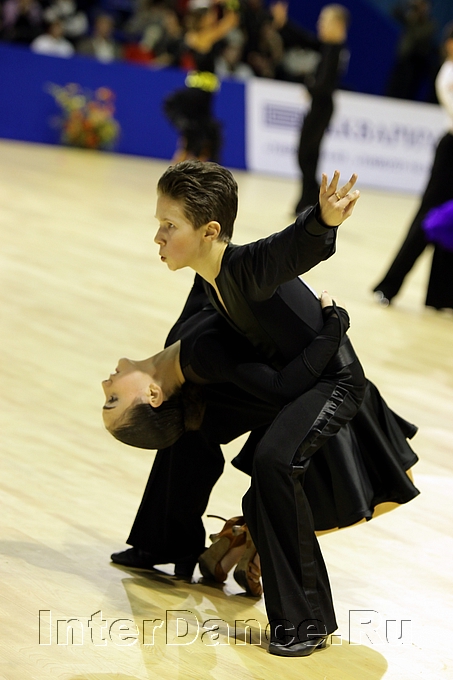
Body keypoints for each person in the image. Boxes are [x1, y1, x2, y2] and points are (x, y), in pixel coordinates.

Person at [107, 160, 419, 656]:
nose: (158, 237)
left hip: (333, 381)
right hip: (296, 382)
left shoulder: (244, 268)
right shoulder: (209, 280)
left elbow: (289, 249)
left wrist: (323, 220)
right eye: (160, 224)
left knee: (274, 462)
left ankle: (307, 622)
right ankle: (175, 546)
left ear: (210, 231)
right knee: (225, 449)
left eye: (169, 225)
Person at [372, 22, 453, 311]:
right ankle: (388, 286)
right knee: (428, 219)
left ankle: (441, 297)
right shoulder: (449, 74)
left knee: (450, 225)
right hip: (451, 154)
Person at [271, 3, 350, 215]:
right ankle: (309, 197)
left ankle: (310, 197)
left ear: (338, 25)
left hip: (322, 107)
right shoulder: (328, 47)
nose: (319, 24)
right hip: (319, 106)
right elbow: (304, 39)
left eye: (324, 21)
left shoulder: (335, 50)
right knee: (307, 154)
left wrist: (308, 83)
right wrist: (285, 24)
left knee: (306, 154)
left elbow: (324, 85)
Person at [162, 0, 239, 163]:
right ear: (203, 19)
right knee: (201, 138)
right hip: (199, 94)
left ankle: (180, 170)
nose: (213, 17)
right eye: (210, 15)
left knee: (196, 140)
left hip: (201, 94)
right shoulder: (205, 36)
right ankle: (180, 169)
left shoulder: (193, 36)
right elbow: (231, 21)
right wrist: (231, 3)